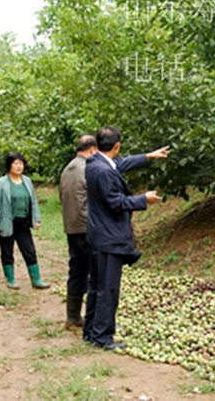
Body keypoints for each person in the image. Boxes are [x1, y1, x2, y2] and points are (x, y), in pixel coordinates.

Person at [84, 126, 169, 350]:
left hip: (96, 235)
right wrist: (143, 199)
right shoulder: (104, 172)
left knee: (96, 286)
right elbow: (116, 202)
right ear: (117, 146)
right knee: (108, 288)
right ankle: (102, 337)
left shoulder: (94, 163)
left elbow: (118, 165)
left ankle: (91, 330)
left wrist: (149, 156)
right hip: (109, 238)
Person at [0, 152, 50, 290]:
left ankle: (36, 280)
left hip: (23, 223)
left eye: (21, 163)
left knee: (29, 250)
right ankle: (10, 280)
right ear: (9, 165)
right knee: (7, 251)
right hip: (7, 222)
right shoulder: (1, 184)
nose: (19, 166)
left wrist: (37, 218)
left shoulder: (27, 181)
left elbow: (33, 201)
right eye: (16, 163)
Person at [59, 134, 98, 328]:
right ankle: (94, 318)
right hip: (87, 227)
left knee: (76, 270)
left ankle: (73, 316)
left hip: (71, 227)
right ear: (92, 149)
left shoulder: (67, 169)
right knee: (95, 273)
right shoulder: (87, 168)